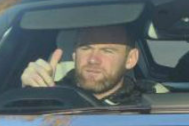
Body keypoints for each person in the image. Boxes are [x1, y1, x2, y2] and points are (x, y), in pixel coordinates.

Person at [20, 24, 154, 106]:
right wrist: (30, 95)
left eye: (107, 51)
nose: (93, 60)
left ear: (131, 59)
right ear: (74, 55)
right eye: (86, 48)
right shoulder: (50, 94)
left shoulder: (149, 103)